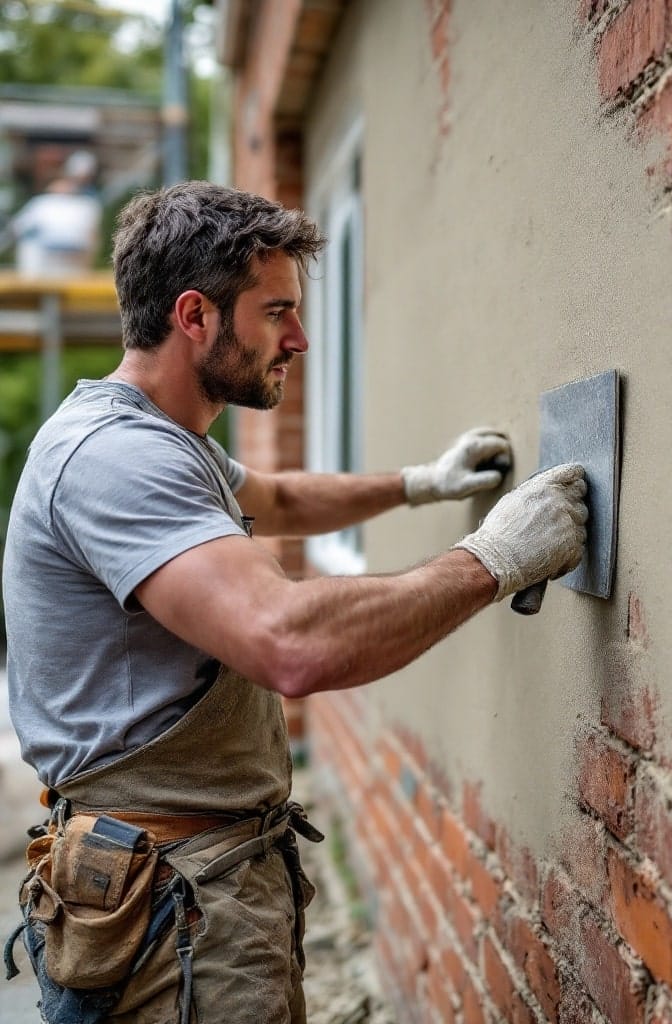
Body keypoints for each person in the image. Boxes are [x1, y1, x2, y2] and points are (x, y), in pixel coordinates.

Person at [1, 181, 587, 1023]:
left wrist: (424, 483)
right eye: (276, 313)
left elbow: (279, 497)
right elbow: (288, 643)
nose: (301, 339)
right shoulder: (116, 460)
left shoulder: (165, 437)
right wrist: (493, 558)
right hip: (171, 906)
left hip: (190, 878)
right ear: (194, 316)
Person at [3, 150, 102, 276]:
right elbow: (17, 229)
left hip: (71, 268)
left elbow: (92, 240)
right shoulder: (42, 204)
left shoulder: (88, 205)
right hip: (42, 267)